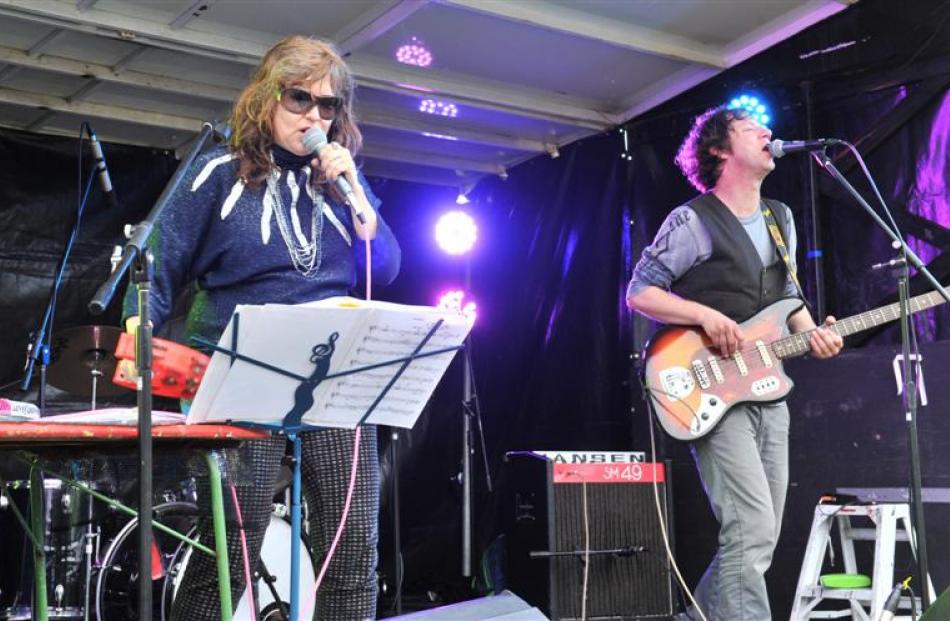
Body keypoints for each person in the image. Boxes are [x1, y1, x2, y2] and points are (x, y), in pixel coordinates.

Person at [123, 35, 400, 620]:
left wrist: (356, 189)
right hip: (242, 363)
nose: (316, 116)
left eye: (330, 107)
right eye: (302, 99)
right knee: (232, 549)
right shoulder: (218, 173)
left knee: (350, 555)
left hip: (331, 368)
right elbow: (159, 262)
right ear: (267, 97)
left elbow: (389, 264)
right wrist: (139, 330)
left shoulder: (339, 183)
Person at [626, 106, 842, 621]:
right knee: (749, 528)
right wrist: (703, 314)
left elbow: (788, 296)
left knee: (758, 534)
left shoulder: (780, 216)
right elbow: (640, 292)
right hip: (710, 388)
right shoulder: (692, 220)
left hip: (767, 385)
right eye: (751, 129)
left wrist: (814, 335)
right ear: (719, 149)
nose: (768, 134)